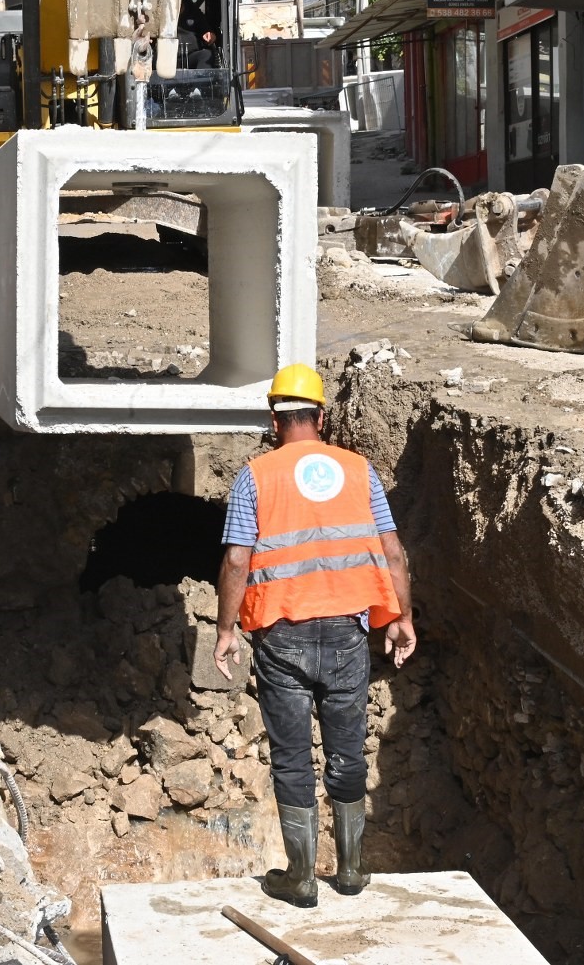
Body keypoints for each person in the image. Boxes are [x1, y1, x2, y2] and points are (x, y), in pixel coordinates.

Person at [213, 364, 415, 908]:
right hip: (348, 634)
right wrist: (402, 618)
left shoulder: (255, 476)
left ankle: (301, 877)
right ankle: (350, 868)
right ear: (321, 417)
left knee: (292, 758)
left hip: (284, 635)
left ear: (272, 419)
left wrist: (226, 628)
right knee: (348, 750)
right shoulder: (359, 470)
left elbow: (237, 559)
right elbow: (391, 551)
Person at [178, 0, 217, 69]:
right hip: (166, 57)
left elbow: (206, 30)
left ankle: (202, 80)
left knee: (206, 55)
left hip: (190, 56)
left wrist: (209, 35)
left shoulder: (190, 7)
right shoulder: (159, 10)